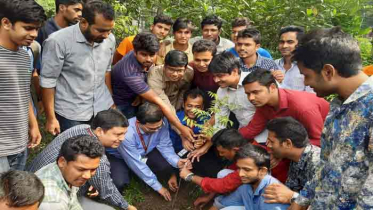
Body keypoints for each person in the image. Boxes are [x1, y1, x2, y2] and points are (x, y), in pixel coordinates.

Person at [289, 27, 373, 210]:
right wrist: (300, 202)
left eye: (306, 75)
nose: (305, 83)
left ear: (328, 71)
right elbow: (327, 165)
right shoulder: (338, 105)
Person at [27, 109, 136, 210]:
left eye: (124, 134)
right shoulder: (53, 202)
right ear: (99, 131)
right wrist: (127, 207)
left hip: (31, 178)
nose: (122, 138)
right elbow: (107, 190)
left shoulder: (81, 128)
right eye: (118, 134)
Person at [40, 0, 116, 134]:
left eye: (109, 30)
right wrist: (51, 118)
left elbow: (106, 71)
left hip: (101, 107)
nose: (106, 35)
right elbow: (48, 81)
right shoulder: (58, 41)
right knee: (75, 152)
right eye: (101, 30)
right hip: (71, 113)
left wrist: (110, 101)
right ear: (84, 22)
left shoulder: (109, 40)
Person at [111, 32, 195, 143]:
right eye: (144, 55)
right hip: (123, 102)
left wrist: (139, 94)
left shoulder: (188, 72)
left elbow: (184, 89)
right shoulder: (130, 72)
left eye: (152, 55)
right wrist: (181, 129)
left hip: (137, 96)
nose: (149, 59)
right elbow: (161, 102)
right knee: (126, 131)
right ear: (134, 52)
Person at [106, 102, 189, 201]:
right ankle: (129, 173)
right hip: (119, 156)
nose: (157, 131)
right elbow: (137, 163)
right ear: (138, 122)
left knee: (165, 166)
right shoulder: (127, 134)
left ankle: (164, 175)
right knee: (120, 182)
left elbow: (165, 146)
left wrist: (177, 161)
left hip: (145, 151)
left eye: (159, 127)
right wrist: (158, 187)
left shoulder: (162, 123)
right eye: (151, 129)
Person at [0, 0, 45, 173]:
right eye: (28, 28)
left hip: (20, 143)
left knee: (13, 196)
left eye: (37, 28)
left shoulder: (25, 56)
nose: (34, 34)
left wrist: (33, 125)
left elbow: (23, 92)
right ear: (6, 23)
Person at [239, 68, 329, 146]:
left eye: (256, 92)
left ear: (272, 87)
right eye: (248, 94)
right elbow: (252, 129)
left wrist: (282, 151)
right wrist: (228, 138)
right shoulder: (263, 104)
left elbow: (319, 140)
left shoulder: (302, 107)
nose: (251, 98)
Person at [179, 129, 247, 209]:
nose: (221, 155)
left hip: (257, 200)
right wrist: (209, 197)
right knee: (223, 173)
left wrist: (190, 176)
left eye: (222, 152)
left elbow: (223, 184)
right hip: (247, 189)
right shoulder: (242, 153)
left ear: (235, 150)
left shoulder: (247, 166)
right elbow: (225, 180)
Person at [210, 144, 289, 210]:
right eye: (239, 168)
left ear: (262, 171)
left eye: (247, 170)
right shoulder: (247, 186)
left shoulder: (272, 197)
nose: (240, 174)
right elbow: (221, 204)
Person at [36, 135, 105, 210]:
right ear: (62, 162)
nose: (87, 176)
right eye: (81, 169)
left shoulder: (66, 174)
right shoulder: (53, 202)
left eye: (93, 169)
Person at [262, 117, 320, 205]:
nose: (268, 145)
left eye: (271, 142)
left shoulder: (317, 163)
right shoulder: (295, 158)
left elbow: (322, 201)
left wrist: (292, 196)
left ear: (288, 143)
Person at [169, 89, 223, 178]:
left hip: (200, 150)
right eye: (189, 106)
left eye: (197, 107)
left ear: (202, 107)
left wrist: (202, 142)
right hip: (179, 152)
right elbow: (170, 144)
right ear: (183, 104)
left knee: (211, 165)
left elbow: (213, 134)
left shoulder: (207, 119)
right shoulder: (176, 119)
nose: (193, 110)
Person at [274, 26, 313, 92]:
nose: (284, 46)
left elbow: (311, 96)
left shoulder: (308, 66)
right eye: (282, 42)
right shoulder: (273, 65)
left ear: (300, 44)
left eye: (290, 42)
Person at [190, 39, 219, 107]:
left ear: (213, 58)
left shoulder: (221, 71)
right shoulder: (190, 68)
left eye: (205, 60)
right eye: (197, 60)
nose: (201, 64)